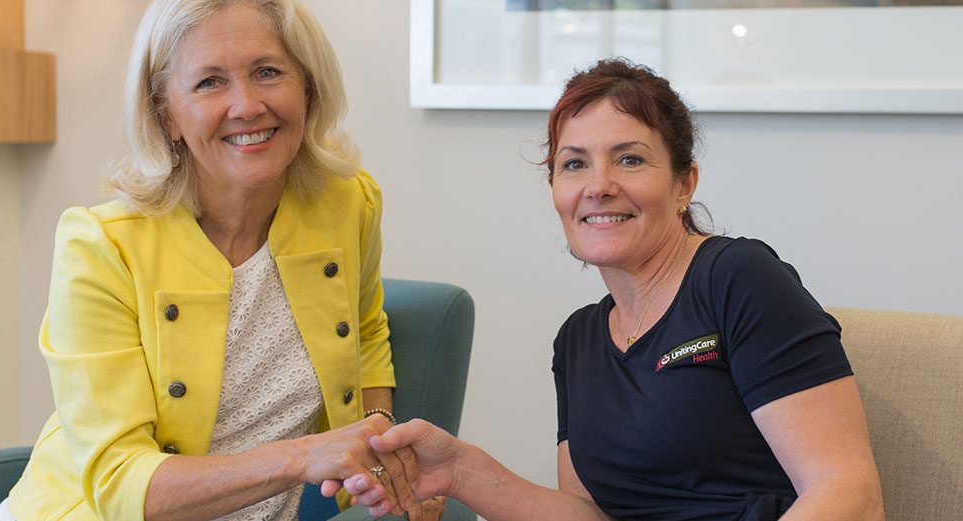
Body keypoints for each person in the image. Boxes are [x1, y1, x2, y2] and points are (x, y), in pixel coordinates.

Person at [335, 58, 885, 521]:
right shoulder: (578, 339)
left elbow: (847, 489)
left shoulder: (736, 277)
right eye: (574, 164)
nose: (599, 187)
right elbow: (589, 515)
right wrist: (461, 471)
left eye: (630, 159)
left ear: (683, 184)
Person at [0, 0, 435, 521]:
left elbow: (367, 335)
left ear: (309, 87)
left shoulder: (349, 205)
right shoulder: (100, 248)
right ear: (166, 115)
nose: (246, 105)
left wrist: (383, 473)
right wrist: (301, 456)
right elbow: (125, 485)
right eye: (209, 82)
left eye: (268, 71)